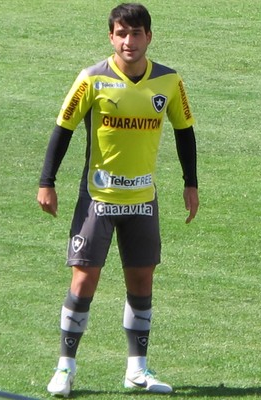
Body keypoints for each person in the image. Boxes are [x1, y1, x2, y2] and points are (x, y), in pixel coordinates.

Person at [37, 3, 199, 397]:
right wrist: (47, 182)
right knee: (84, 278)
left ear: (149, 36)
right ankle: (65, 368)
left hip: (143, 199)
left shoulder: (169, 81)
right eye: (122, 33)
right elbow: (63, 129)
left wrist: (190, 183)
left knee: (142, 279)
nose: (130, 41)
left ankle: (137, 370)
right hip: (98, 199)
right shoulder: (92, 79)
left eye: (137, 33)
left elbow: (185, 132)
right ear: (111, 37)